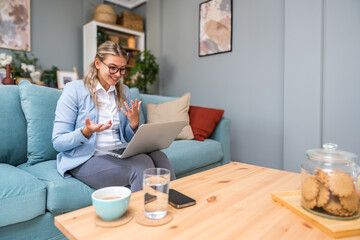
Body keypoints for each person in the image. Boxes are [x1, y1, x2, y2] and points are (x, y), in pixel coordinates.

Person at [52, 41, 175, 192]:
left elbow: (127, 139)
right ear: (97, 63)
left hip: (118, 152)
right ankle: (146, 213)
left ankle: (174, 207)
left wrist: (133, 125)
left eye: (122, 69)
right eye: (112, 68)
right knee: (141, 166)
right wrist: (86, 132)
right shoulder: (74, 90)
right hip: (87, 158)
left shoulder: (124, 92)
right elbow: (58, 142)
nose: (118, 74)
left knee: (159, 157)